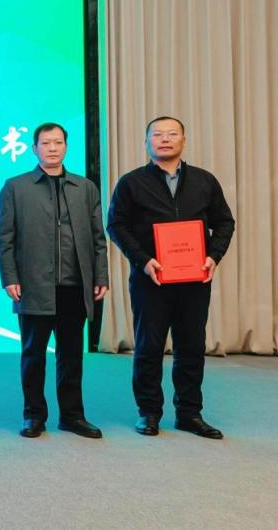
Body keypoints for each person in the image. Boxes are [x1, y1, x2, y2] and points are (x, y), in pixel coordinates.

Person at [107, 116, 235, 439]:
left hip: (195, 279)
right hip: (151, 279)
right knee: (149, 347)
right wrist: (143, 260)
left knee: (191, 346)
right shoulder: (132, 183)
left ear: (183, 140)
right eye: (157, 134)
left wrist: (213, 256)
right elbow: (116, 225)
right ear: (147, 142)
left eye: (172, 134)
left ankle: (189, 413)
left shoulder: (204, 181)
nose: (165, 139)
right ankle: (149, 412)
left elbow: (224, 222)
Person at [0, 122, 108, 439]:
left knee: (71, 355)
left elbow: (98, 238)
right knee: (33, 354)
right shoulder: (15, 187)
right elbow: (4, 239)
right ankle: (33, 415)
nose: (53, 148)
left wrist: (100, 275)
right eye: (46, 143)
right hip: (33, 285)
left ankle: (73, 415)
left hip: (75, 284)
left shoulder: (85, 187)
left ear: (66, 147)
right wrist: (9, 277)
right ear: (35, 148)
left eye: (58, 142)